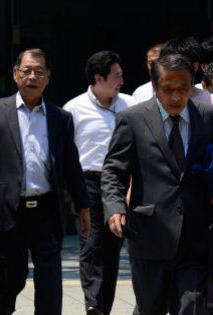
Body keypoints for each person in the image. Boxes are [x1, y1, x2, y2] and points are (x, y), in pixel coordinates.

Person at [101, 54, 213, 314]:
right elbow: (114, 170)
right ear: (154, 87)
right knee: (150, 307)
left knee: (192, 308)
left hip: (196, 235)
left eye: (183, 89)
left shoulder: (207, 116)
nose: (176, 97)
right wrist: (115, 206)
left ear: (193, 85)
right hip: (149, 234)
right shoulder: (133, 119)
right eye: (168, 90)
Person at [0, 48, 90, 315]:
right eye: (26, 70)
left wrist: (83, 206)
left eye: (39, 71)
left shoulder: (60, 118)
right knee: (9, 279)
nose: (32, 76)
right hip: (7, 212)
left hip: (47, 211)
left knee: (50, 281)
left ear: (48, 77)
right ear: (15, 75)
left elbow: (71, 165)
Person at [63, 50, 135, 315]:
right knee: (91, 244)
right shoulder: (74, 109)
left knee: (113, 248)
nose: (121, 81)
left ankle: (103, 306)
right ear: (98, 77)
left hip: (119, 184)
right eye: (116, 76)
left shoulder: (128, 106)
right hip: (88, 183)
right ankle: (94, 305)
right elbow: (67, 155)